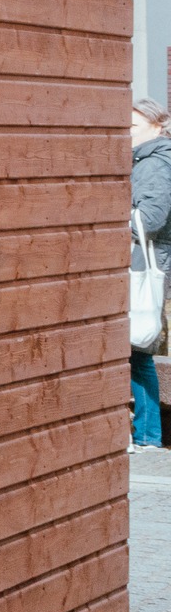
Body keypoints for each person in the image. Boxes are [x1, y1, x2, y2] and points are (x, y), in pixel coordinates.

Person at [130, 100, 171, 450]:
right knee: (136, 349)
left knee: (137, 348)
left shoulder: (154, 162)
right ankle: (147, 434)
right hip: (148, 259)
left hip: (144, 263)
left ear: (157, 127)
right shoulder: (148, 159)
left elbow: (151, 218)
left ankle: (148, 434)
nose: (126, 133)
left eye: (133, 126)